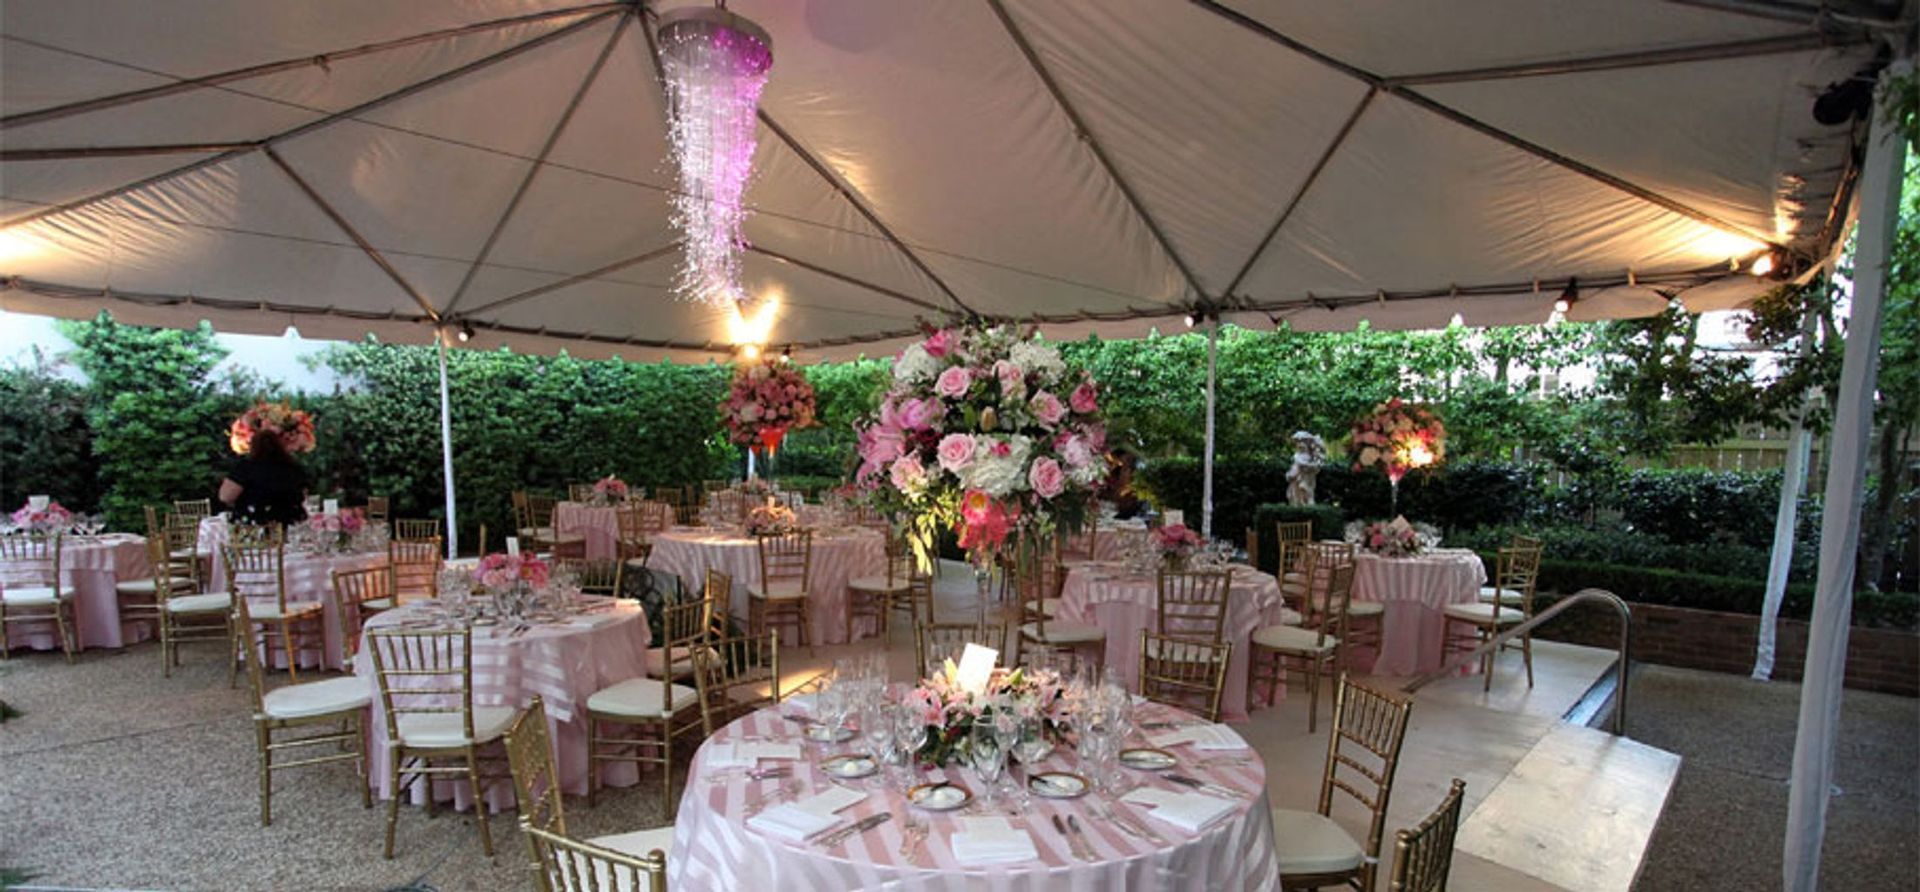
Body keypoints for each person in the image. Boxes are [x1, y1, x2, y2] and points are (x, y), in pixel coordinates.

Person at [219, 429, 309, 525]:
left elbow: (225, 496)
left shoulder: (246, 468)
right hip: (288, 522)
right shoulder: (293, 468)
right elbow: (303, 493)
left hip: (254, 525)